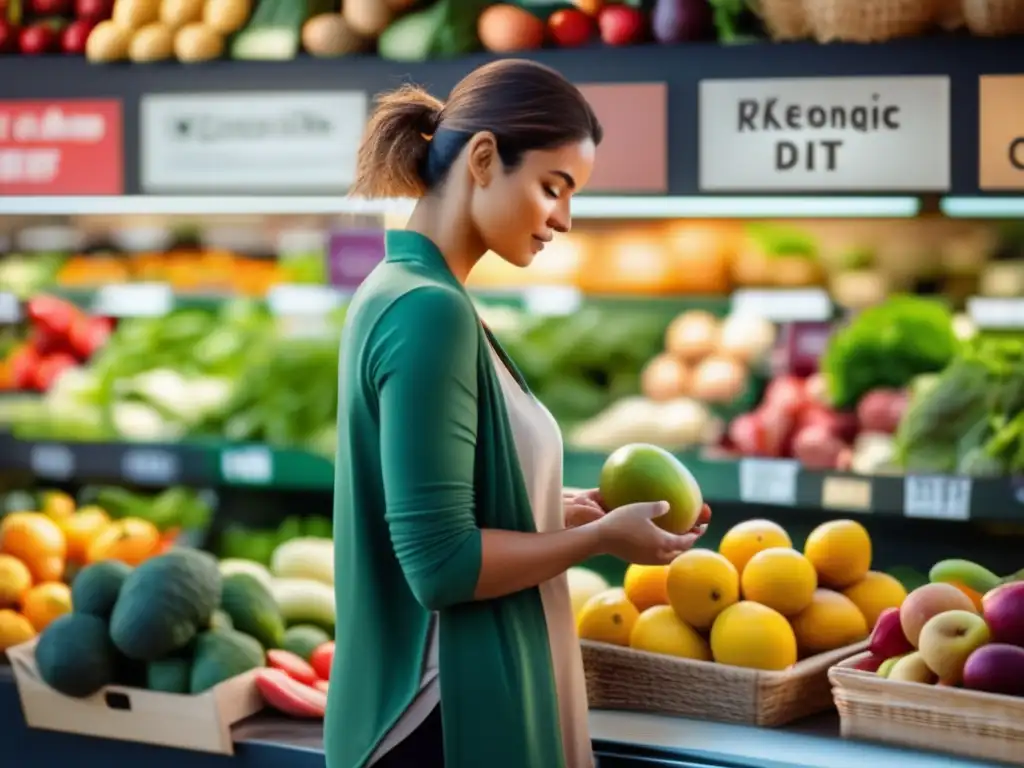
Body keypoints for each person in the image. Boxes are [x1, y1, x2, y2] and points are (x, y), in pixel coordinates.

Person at [325, 58, 711, 768]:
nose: (563, 219)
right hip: (443, 719)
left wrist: (557, 509)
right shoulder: (430, 312)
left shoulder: (403, 288)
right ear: (482, 158)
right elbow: (442, 566)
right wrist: (600, 543)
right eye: (552, 188)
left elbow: (442, 504)